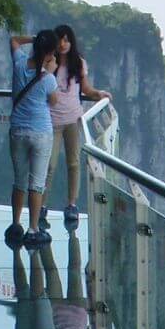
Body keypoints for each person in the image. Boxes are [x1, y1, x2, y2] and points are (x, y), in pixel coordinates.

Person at [41, 23, 111, 229]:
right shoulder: (47, 63)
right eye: (60, 40)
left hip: (73, 120)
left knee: (73, 163)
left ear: (71, 42)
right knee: (49, 166)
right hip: (51, 120)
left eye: (66, 39)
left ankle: (71, 205)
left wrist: (99, 94)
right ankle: (42, 205)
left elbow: (86, 88)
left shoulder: (78, 64)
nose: (63, 44)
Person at [7, 28, 59, 247]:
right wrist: (50, 70)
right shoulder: (48, 79)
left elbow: (15, 40)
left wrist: (36, 40)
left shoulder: (19, 64)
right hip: (41, 132)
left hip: (17, 130)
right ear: (50, 53)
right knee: (36, 184)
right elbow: (54, 101)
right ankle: (33, 229)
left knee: (19, 181)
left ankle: (16, 224)